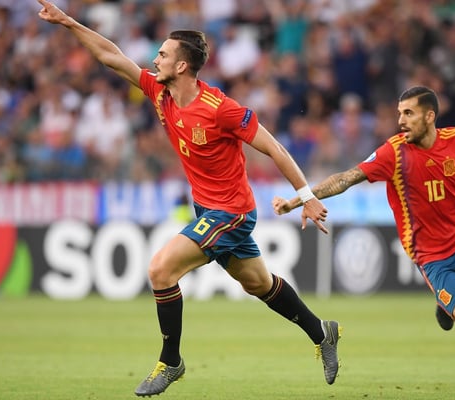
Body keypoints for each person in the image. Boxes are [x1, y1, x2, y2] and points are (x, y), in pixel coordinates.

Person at [37, 0, 342, 396]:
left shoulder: (221, 109)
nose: (155, 59)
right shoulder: (159, 92)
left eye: (163, 54)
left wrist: (306, 196)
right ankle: (322, 331)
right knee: (259, 284)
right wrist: (67, 22)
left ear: (182, 66)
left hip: (231, 212)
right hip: (207, 208)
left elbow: (275, 148)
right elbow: (112, 56)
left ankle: (171, 361)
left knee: (161, 270)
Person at [273, 86, 455, 394]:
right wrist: (298, 200)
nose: (401, 120)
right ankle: (446, 303)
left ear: (429, 116)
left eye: (408, 113)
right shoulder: (393, 152)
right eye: (399, 113)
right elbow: (345, 178)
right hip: (433, 256)